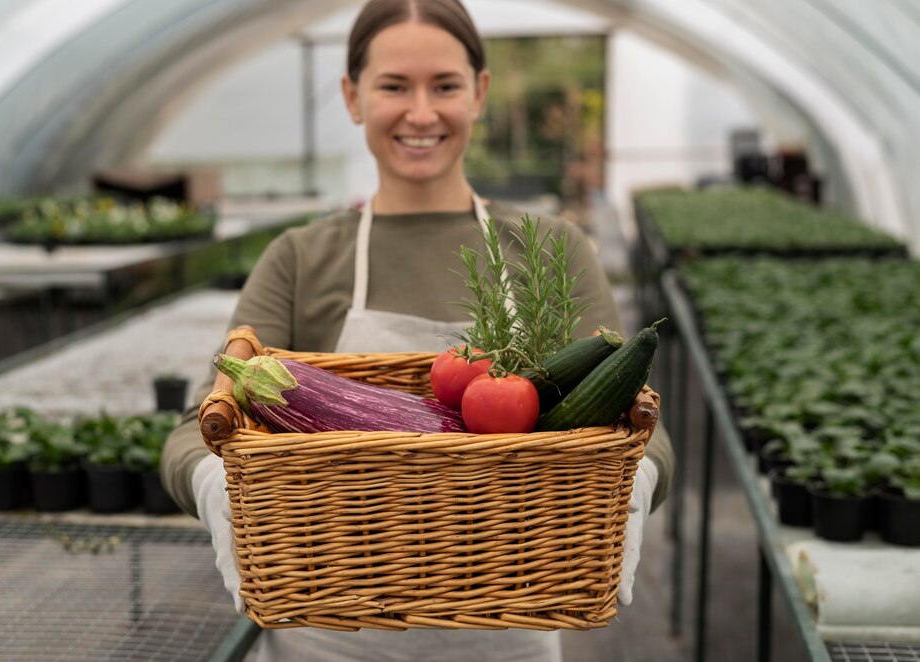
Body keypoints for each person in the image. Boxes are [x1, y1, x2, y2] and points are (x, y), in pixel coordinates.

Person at [161, 1, 675, 659]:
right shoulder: (300, 257)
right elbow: (198, 425)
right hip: (330, 641)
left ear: (480, 92)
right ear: (352, 97)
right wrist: (217, 484)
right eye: (394, 86)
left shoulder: (552, 249)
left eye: (446, 86)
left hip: (508, 636)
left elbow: (641, 427)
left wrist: (632, 487)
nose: (422, 112)